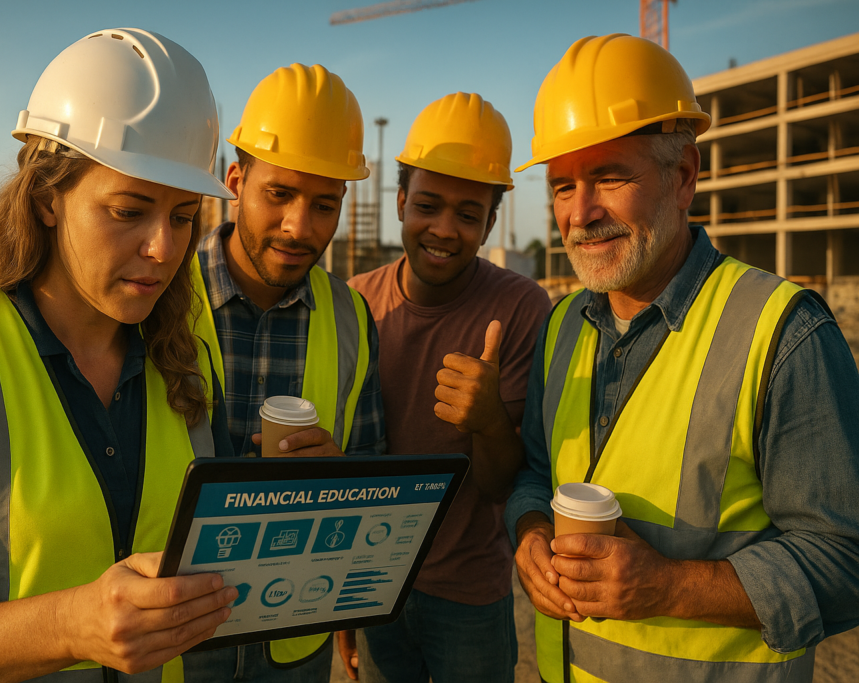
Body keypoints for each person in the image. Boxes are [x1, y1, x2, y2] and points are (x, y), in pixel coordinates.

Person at [0, 28, 240, 682]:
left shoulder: (191, 358)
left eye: (182, 216)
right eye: (129, 210)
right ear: (46, 198)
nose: (164, 249)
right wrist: (70, 624)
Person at [505, 33, 859, 683]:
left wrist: (667, 586)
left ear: (685, 176)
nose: (580, 214)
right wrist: (529, 532)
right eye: (561, 187)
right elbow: (535, 471)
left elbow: (845, 561)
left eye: (610, 177)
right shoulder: (561, 327)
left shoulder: (782, 332)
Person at [180, 63, 386, 683]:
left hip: (291, 642)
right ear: (235, 180)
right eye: (280, 195)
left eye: (325, 205)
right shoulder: (160, 293)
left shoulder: (351, 318)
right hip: (174, 643)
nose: (301, 227)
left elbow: (374, 473)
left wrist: (338, 481)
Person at [338, 92, 551, 683]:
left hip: (469, 592)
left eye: (467, 214)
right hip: (372, 582)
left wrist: (486, 419)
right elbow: (349, 471)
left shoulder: (521, 307)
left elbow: (499, 485)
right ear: (400, 201)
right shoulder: (356, 303)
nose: (444, 230)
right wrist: (343, 601)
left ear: (491, 221)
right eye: (428, 205)